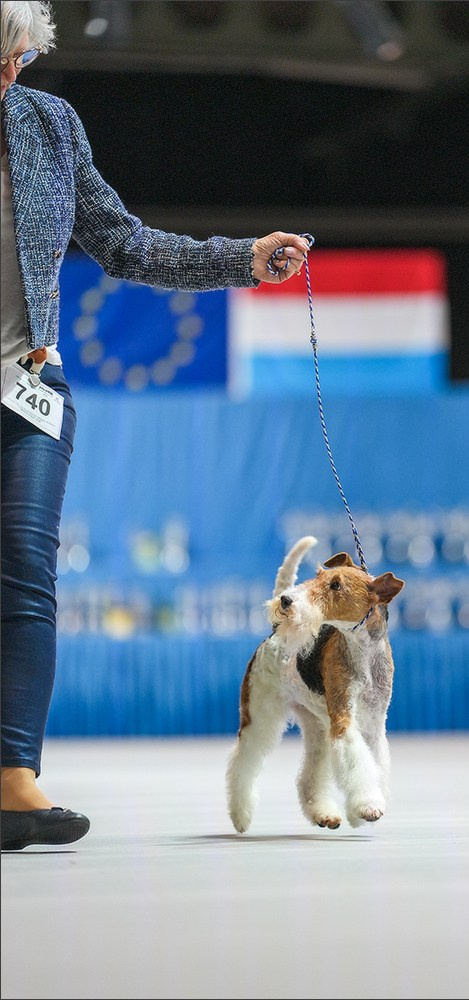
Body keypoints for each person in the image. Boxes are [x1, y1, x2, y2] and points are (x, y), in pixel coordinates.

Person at [0, 0, 312, 851]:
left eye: (15, 58)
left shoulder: (47, 126)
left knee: (25, 568)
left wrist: (240, 259)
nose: (8, 75)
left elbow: (124, 243)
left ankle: (11, 777)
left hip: (27, 386)